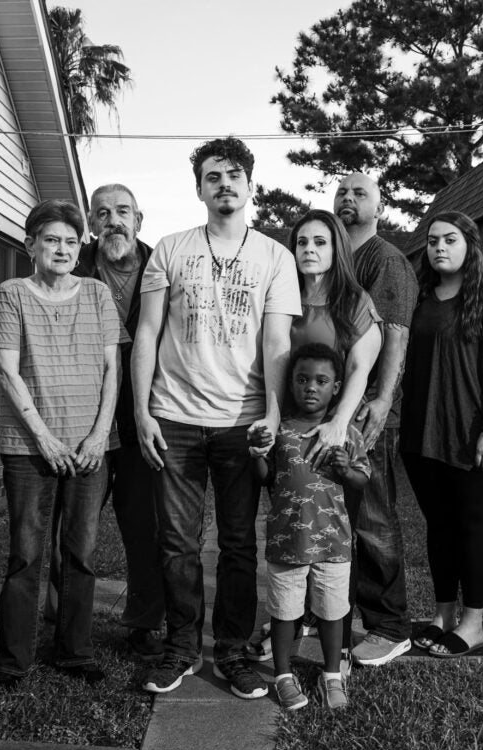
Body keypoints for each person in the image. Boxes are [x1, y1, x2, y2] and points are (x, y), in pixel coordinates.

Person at [131, 137, 301, 698]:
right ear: (199, 187)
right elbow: (148, 333)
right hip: (174, 417)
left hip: (242, 423)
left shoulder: (275, 257)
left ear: (249, 185)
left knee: (238, 544)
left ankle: (231, 652)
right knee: (176, 544)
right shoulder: (171, 250)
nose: (224, 184)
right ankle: (181, 649)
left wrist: (274, 416)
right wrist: (141, 410)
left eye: (233, 175)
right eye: (212, 176)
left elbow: (278, 344)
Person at [0, 199, 121, 688]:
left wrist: (101, 433)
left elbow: (112, 370)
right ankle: (13, 659)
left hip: (89, 448)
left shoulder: (99, 295)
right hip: (28, 448)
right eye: (51, 240)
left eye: (69, 240)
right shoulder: (12, 294)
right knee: (25, 555)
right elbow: (6, 369)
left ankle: (74, 652)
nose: (61, 249)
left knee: (80, 554)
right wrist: (45, 439)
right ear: (31, 245)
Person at [245, 209, 382, 664]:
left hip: (334, 430)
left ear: (335, 248)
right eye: (302, 242)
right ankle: (284, 623)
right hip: (287, 431)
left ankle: (335, 645)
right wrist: (271, 418)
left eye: (320, 242)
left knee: (338, 537)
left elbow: (362, 367)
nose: (309, 250)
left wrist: (341, 423)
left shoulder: (353, 300)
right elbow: (274, 358)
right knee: (289, 532)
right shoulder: (282, 295)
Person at [400, 211, 483, 658]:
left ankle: (473, 625)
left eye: (450, 240)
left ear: (469, 244)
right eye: (433, 241)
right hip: (423, 433)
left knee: (470, 525)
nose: (439, 248)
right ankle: (443, 615)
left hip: (475, 434)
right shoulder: (420, 298)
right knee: (438, 526)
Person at [68, 184, 165, 661]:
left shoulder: (162, 267)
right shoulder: (73, 268)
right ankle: (64, 619)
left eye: (123, 211)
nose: (113, 221)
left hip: (143, 419)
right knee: (75, 530)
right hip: (84, 423)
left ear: (140, 218)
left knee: (145, 529)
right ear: (91, 223)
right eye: (102, 213)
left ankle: (145, 623)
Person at [249, 343, 370, 711]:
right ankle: (283, 675)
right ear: (291, 383)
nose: (311, 387)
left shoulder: (345, 433)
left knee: (333, 612)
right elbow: (266, 478)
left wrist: (346, 466)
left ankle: (332, 674)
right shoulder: (279, 429)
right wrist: (256, 452)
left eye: (321, 380)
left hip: (333, 544)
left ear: (336, 387)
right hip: (287, 542)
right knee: (285, 612)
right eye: (302, 379)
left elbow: (361, 480)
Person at [333, 173, 420, 667]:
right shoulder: (341, 258)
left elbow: (395, 336)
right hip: (337, 407)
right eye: (342, 192)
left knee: (373, 519)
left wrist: (382, 401)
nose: (348, 198)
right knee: (337, 517)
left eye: (359, 193)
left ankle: (390, 625)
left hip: (368, 412)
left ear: (379, 207)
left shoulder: (385, 260)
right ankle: (331, 612)